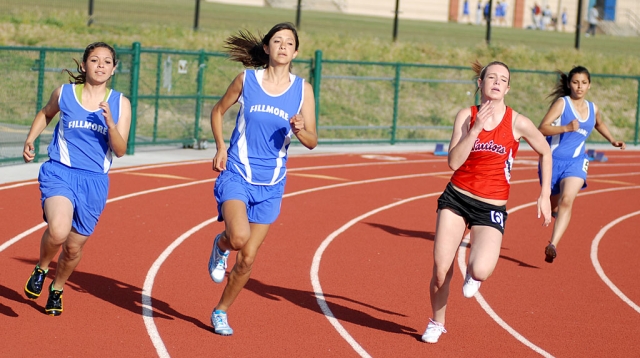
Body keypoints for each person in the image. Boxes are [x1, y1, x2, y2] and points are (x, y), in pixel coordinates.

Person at [421, 60, 552, 343]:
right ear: (480, 84)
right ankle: (436, 322)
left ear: (507, 88)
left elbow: (545, 151)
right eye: (490, 77)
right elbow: (453, 162)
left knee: (480, 269)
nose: (496, 82)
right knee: (441, 272)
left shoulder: (518, 122)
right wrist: (475, 129)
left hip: (491, 206)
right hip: (457, 197)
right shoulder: (466, 116)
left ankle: (474, 274)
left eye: (502, 79)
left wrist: (543, 195)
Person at [207, 22, 317, 336]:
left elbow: (312, 140)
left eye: (289, 43)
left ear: (295, 52)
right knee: (238, 239)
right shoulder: (247, 80)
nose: (283, 46)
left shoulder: (302, 89)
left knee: (249, 259)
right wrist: (220, 146)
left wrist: (299, 130)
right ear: (267, 48)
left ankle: (221, 311)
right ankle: (222, 243)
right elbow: (218, 111)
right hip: (238, 172)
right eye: (277, 41)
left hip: (272, 183)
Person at [22, 42, 131, 316]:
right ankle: (41, 267)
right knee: (58, 230)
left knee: (72, 249)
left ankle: (57, 288)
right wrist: (30, 139)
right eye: (95, 60)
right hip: (60, 171)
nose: (101, 65)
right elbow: (47, 113)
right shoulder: (65, 93)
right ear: (84, 66)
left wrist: (111, 124)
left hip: (94, 181)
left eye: (107, 61)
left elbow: (119, 150)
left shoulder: (120, 103)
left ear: (114, 69)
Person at [538, 66, 625, 263]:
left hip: (577, 162)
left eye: (584, 83)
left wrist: (612, 140)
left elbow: (598, 123)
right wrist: (565, 128)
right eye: (576, 82)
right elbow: (542, 128)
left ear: (589, 85)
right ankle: (555, 211)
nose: (579, 86)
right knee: (555, 205)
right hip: (552, 162)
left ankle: (552, 245)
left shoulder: (593, 108)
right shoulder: (562, 104)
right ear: (569, 84)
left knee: (567, 200)